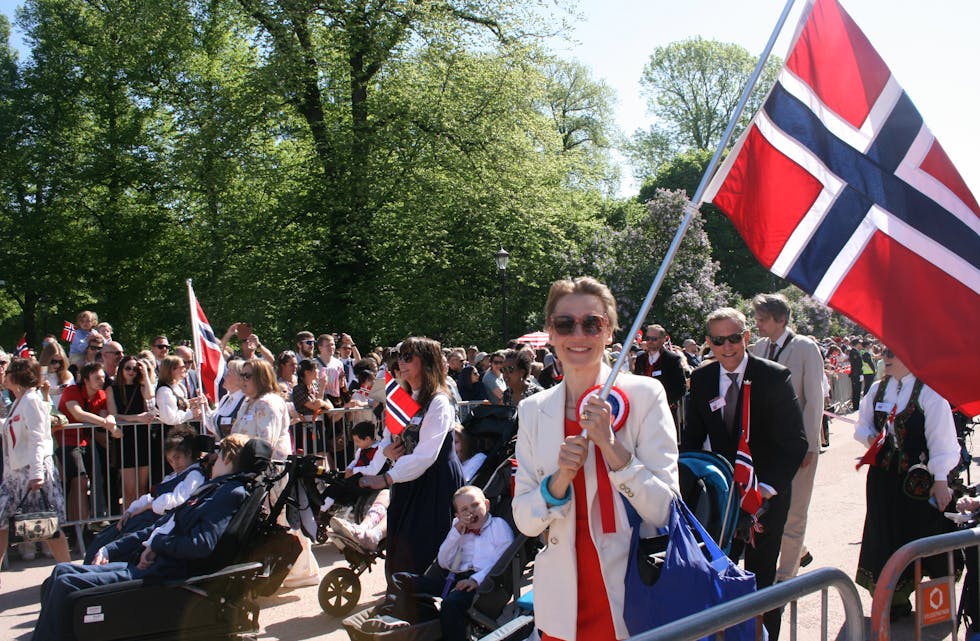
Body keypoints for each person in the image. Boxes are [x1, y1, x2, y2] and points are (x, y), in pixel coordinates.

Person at [513, 277, 679, 641]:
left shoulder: (645, 395)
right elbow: (525, 520)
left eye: (592, 323)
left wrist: (613, 450)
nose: (579, 334)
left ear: (609, 331)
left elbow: (666, 509)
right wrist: (557, 482)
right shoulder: (532, 411)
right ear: (551, 333)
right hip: (562, 606)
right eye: (565, 324)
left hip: (635, 593)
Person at [31, 434, 262, 641]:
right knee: (60, 572)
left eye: (219, 454)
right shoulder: (215, 488)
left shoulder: (229, 493)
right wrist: (113, 549)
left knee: (65, 582)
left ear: (230, 459)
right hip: (155, 561)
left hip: (165, 572)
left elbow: (201, 544)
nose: (213, 458)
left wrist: (157, 546)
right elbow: (162, 525)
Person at [682, 307, 807, 640]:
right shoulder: (703, 379)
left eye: (734, 338)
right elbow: (691, 440)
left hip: (765, 496)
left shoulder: (774, 376)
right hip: (722, 501)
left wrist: (766, 488)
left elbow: (795, 442)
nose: (727, 347)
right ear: (709, 342)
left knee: (762, 579)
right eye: (719, 340)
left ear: (747, 337)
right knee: (717, 574)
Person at [853, 347, 960, 618]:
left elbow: (942, 440)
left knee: (925, 531)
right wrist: (873, 441)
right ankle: (894, 599)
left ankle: (936, 604)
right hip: (883, 480)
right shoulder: (877, 389)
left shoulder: (929, 393)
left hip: (919, 483)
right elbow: (862, 426)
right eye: (884, 352)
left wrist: (939, 479)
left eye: (892, 353)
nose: (885, 358)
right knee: (886, 532)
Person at [359, 336, 464, 593]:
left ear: (426, 363)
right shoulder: (406, 397)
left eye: (409, 357)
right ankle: (400, 599)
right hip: (408, 480)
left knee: (425, 546)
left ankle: (423, 606)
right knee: (401, 542)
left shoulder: (439, 401)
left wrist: (386, 479)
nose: (402, 363)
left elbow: (427, 454)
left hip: (434, 483)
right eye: (400, 357)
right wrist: (388, 451)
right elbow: (390, 439)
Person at [751, 293, 826, 579]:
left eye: (762, 319)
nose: (757, 323)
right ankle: (799, 551)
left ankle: (786, 576)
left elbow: (814, 400)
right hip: (765, 447)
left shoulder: (805, 348)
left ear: (780, 320)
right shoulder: (758, 347)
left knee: (795, 513)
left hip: (796, 446)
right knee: (769, 510)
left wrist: (807, 446)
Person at [374, 485, 514, 638]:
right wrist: (456, 533)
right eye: (464, 509)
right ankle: (390, 619)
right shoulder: (458, 528)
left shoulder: (499, 526)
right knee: (399, 579)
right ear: (458, 515)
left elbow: (502, 562)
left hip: (483, 584)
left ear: (486, 505)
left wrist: (475, 580)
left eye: (475, 505)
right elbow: (443, 562)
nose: (471, 511)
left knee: (451, 604)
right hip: (453, 579)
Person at [84, 426, 205, 564]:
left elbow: (177, 501)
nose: (175, 464)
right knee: (102, 538)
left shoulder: (194, 475)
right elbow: (152, 496)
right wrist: (131, 510)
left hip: (159, 522)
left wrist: (148, 506)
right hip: (146, 517)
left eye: (177, 458)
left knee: (116, 546)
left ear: (189, 453)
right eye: (171, 461)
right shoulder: (173, 476)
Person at [0, 359, 72, 581]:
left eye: (8, 370)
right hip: (15, 476)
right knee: (1, 524)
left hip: (32, 473)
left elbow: (37, 438)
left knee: (48, 526)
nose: (4, 374)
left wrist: (37, 475)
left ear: (16, 375)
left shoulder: (31, 399)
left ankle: (70, 574)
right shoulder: (19, 401)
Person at [58, 362, 121, 529]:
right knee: (79, 481)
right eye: (97, 378)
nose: (102, 381)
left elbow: (108, 415)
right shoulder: (71, 391)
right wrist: (108, 424)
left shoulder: (101, 395)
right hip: (65, 441)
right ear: (86, 379)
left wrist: (110, 422)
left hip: (85, 441)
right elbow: (78, 414)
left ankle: (80, 527)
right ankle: (77, 527)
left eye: (103, 377)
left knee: (83, 482)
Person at [105, 356, 157, 510]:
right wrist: (136, 418)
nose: (131, 371)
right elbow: (114, 415)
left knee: (142, 488)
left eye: (135, 369)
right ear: (121, 369)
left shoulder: (140, 387)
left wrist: (145, 374)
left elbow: (149, 395)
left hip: (142, 438)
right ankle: (127, 520)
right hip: (124, 439)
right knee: (129, 489)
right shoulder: (112, 389)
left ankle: (139, 521)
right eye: (128, 368)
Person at [233, 359, 292, 460]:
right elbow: (235, 434)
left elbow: (265, 444)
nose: (242, 380)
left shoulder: (269, 402)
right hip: (244, 462)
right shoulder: (247, 402)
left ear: (261, 378)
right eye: (241, 375)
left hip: (266, 467)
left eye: (247, 376)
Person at [633, 323, 686, 413]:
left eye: (654, 339)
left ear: (663, 340)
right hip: (643, 408)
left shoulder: (672, 359)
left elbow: (680, 388)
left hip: (665, 408)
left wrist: (662, 402)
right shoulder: (640, 358)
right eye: (648, 338)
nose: (650, 341)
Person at [155, 356, 203, 429]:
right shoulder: (164, 391)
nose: (185, 369)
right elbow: (169, 419)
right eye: (182, 367)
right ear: (172, 370)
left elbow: (177, 406)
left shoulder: (179, 387)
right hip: (170, 435)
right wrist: (191, 414)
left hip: (182, 431)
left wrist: (189, 403)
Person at [205, 359, 248, 439]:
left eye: (228, 373)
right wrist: (205, 408)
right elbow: (214, 426)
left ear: (239, 379)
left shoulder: (246, 401)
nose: (224, 376)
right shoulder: (225, 398)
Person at [38, 342, 73, 410]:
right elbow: (38, 391)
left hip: (63, 413)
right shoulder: (38, 374)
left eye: (60, 362)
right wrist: (53, 391)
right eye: (53, 362)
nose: (57, 365)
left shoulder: (66, 375)